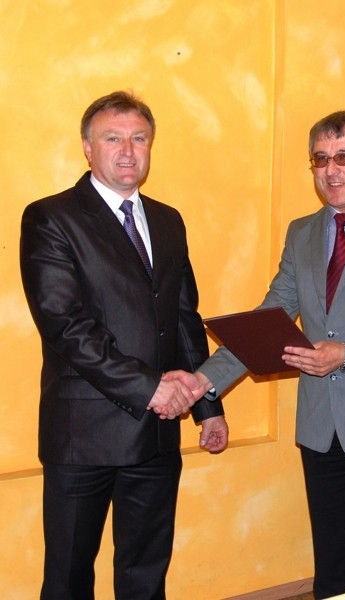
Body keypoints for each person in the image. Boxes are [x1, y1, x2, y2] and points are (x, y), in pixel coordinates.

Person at [164, 111, 345, 598]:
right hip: (321, 423)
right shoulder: (302, 232)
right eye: (320, 159)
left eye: (344, 156)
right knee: (331, 567)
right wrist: (203, 381)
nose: (330, 170)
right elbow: (268, 320)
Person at [20, 90, 228, 600]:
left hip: (156, 436)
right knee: (68, 580)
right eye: (113, 138)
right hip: (83, 436)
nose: (128, 151)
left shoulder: (168, 219)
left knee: (145, 576)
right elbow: (65, 326)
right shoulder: (51, 218)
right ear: (87, 147)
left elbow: (183, 318)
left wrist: (208, 406)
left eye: (139, 138)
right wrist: (150, 388)